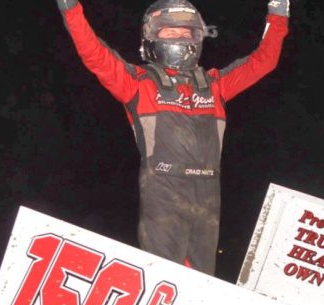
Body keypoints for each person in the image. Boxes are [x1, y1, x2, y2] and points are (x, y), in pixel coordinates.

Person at [55, 0, 290, 275]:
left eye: (186, 33)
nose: (179, 37)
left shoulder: (216, 85)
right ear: (152, 38)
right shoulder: (137, 82)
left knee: (202, 282)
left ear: (198, 38)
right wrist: (70, 7)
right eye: (170, 32)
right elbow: (94, 52)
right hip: (162, 189)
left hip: (208, 192)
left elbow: (265, 60)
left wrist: (279, 11)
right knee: (165, 278)